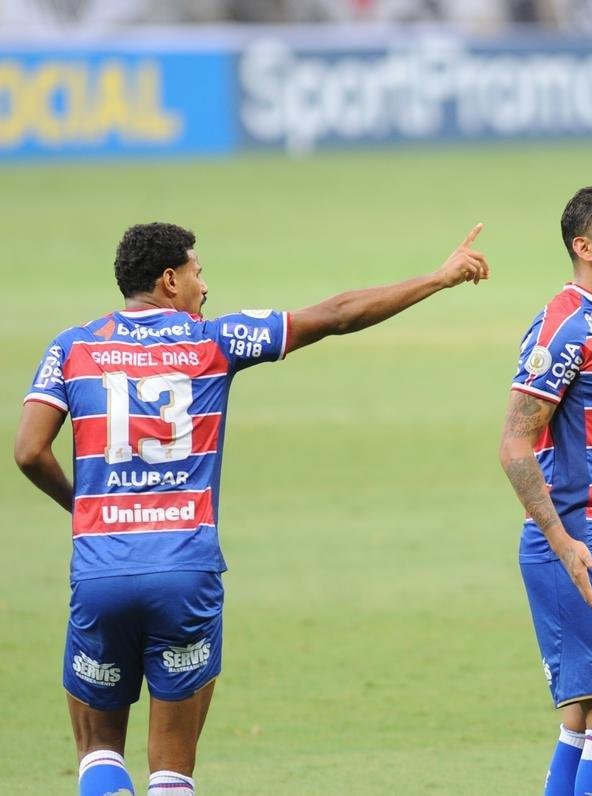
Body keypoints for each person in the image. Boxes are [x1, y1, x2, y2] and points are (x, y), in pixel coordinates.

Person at [14, 221, 488, 796]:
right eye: (197, 271)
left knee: (98, 750)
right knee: (171, 772)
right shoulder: (214, 341)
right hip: (185, 571)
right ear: (169, 279)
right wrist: (437, 278)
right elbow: (337, 314)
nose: (204, 286)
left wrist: (83, 508)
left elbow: (29, 451)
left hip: (100, 571)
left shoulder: (72, 347)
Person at [498, 186, 592, 796]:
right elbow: (514, 445)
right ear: (583, 247)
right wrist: (563, 542)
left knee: (587, 719)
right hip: (584, 545)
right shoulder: (566, 323)